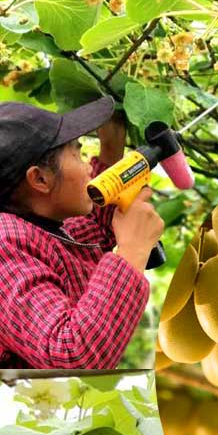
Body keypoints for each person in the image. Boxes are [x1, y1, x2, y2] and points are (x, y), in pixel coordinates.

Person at [0, 96, 164, 369]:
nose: (88, 163)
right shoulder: (4, 244)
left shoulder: (40, 229)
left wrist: (112, 152)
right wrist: (132, 251)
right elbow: (72, 357)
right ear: (40, 179)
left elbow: (93, 231)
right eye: (76, 152)